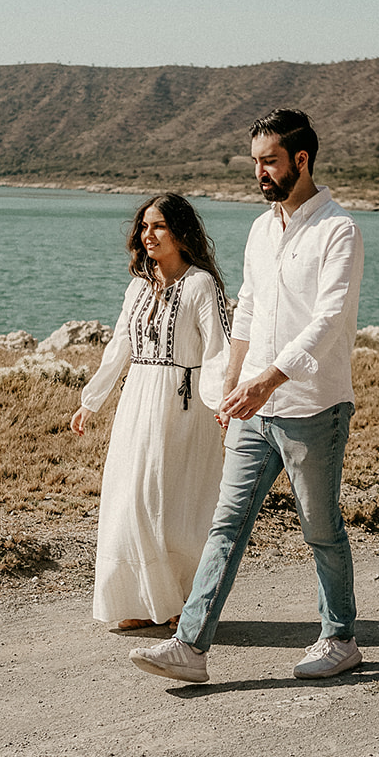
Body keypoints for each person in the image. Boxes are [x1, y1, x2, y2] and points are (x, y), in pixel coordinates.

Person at [129, 108, 364, 684]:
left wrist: (269, 380)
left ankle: (340, 637)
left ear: (300, 160)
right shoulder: (261, 230)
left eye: (269, 161)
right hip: (254, 406)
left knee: (320, 526)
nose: (258, 172)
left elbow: (329, 320)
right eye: (255, 162)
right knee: (226, 524)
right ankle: (190, 647)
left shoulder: (339, 230)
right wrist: (232, 380)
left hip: (314, 406)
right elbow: (250, 312)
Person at [71, 193, 233, 632]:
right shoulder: (139, 285)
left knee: (173, 505)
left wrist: (222, 405)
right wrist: (92, 400)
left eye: (158, 226)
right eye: (144, 227)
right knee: (130, 500)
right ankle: (143, 601)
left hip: (185, 405)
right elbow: (119, 345)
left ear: (180, 232)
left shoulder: (202, 285)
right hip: (138, 399)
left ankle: (182, 601)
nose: (148, 235)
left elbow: (219, 350)